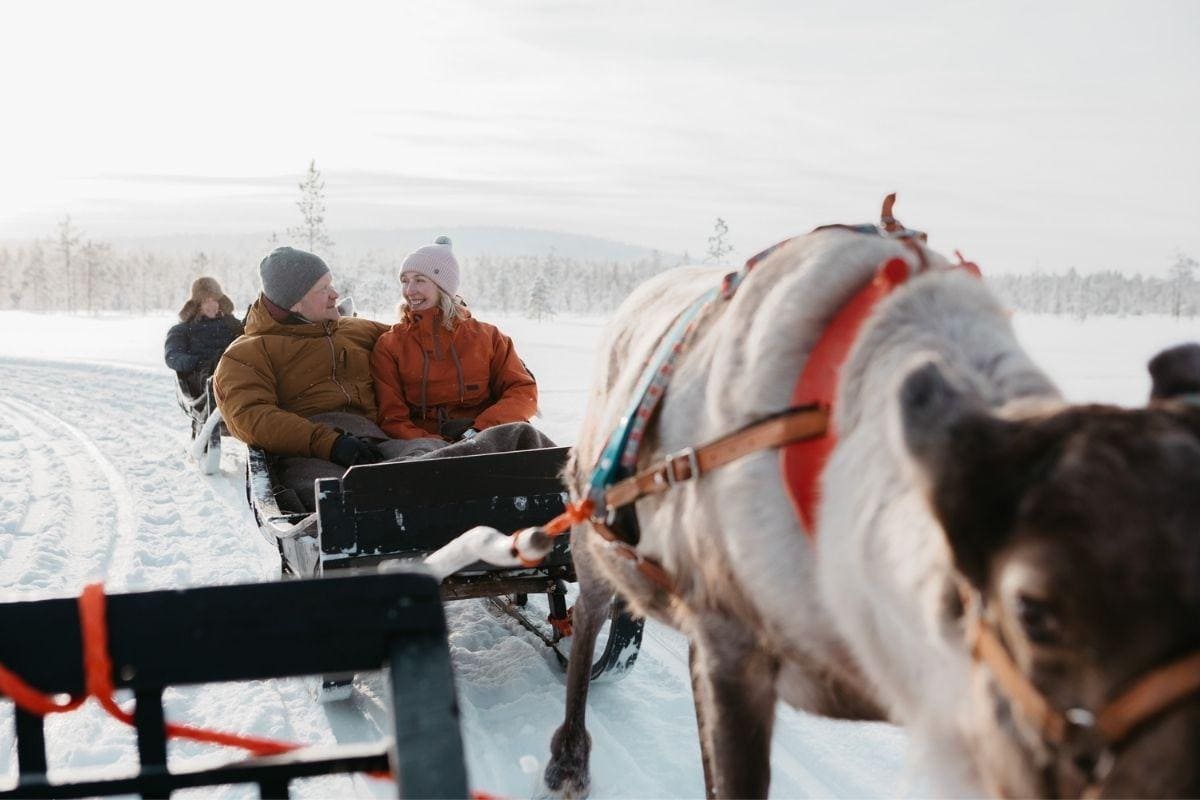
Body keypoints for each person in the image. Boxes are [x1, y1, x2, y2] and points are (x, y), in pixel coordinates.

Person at [370, 236, 547, 445]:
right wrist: (436, 443)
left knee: (534, 447)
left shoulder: (488, 338)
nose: (409, 291)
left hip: (485, 438)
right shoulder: (391, 345)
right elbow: (392, 418)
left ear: (443, 287)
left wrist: (478, 430)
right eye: (405, 281)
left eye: (419, 280)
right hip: (423, 448)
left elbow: (523, 393)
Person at [164, 277, 243, 399]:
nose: (211, 305)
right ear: (198, 305)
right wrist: (199, 362)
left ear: (220, 302)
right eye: (206, 301)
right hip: (203, 377)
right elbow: (173, 356)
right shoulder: (183, 330)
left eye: (214, 300)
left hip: (235, 372)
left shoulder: (233, 325)